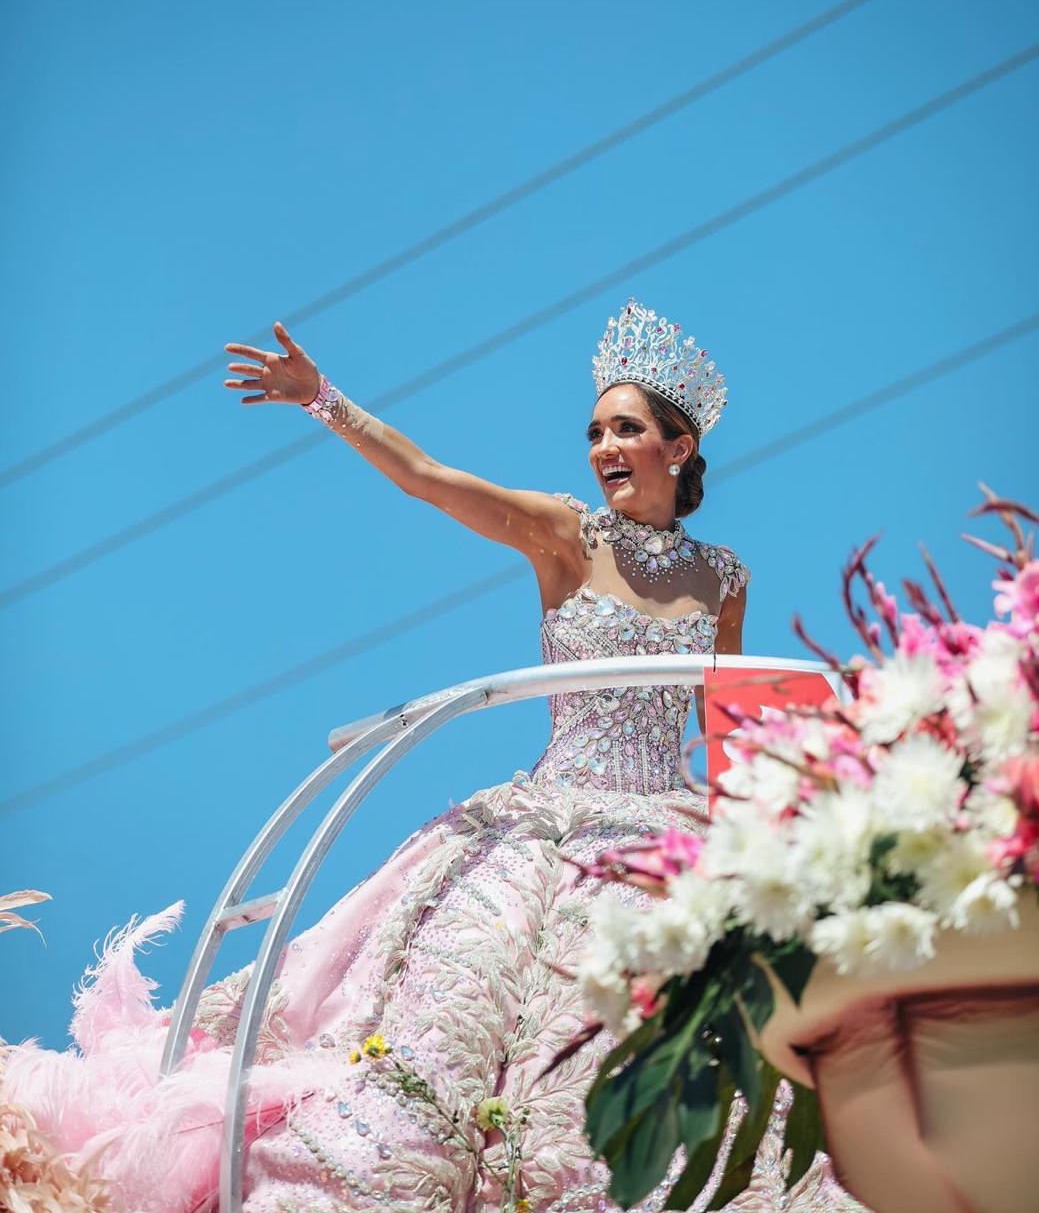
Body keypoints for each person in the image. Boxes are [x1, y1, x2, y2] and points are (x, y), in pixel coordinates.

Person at [4, 300, 860, 1213]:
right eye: (595, 431)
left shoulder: (724, 577)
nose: (604, 446)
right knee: (448, 1023)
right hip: (551, 828)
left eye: (626, 429)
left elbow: (733, 727)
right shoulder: (565, 532)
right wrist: (319, 397)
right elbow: (426, 477)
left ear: (676, 448)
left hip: (673, 840)